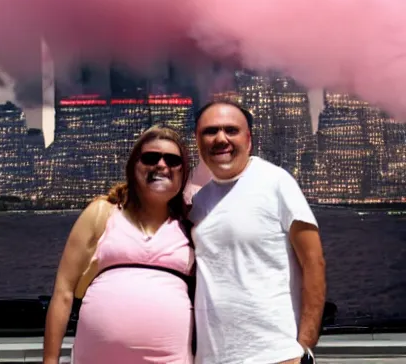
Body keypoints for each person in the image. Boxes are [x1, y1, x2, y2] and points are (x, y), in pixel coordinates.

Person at [43, 125, 195, 364]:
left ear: (183, 172)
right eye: (151, 157)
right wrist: (50, 361)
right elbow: (63, 292)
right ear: (134, 166)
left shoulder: (191, 224)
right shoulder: (102, 213)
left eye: (173, 160)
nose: (162, 165)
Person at [189, 100, 326, 364]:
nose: (221, 138)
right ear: (198, 141)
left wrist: (305, 347)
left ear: (248, 139)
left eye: (231, 130)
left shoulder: (275, 182)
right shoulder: (199, 203)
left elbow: (314, 263)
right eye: (210, 131)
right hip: (212, 358)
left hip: (275, 355)